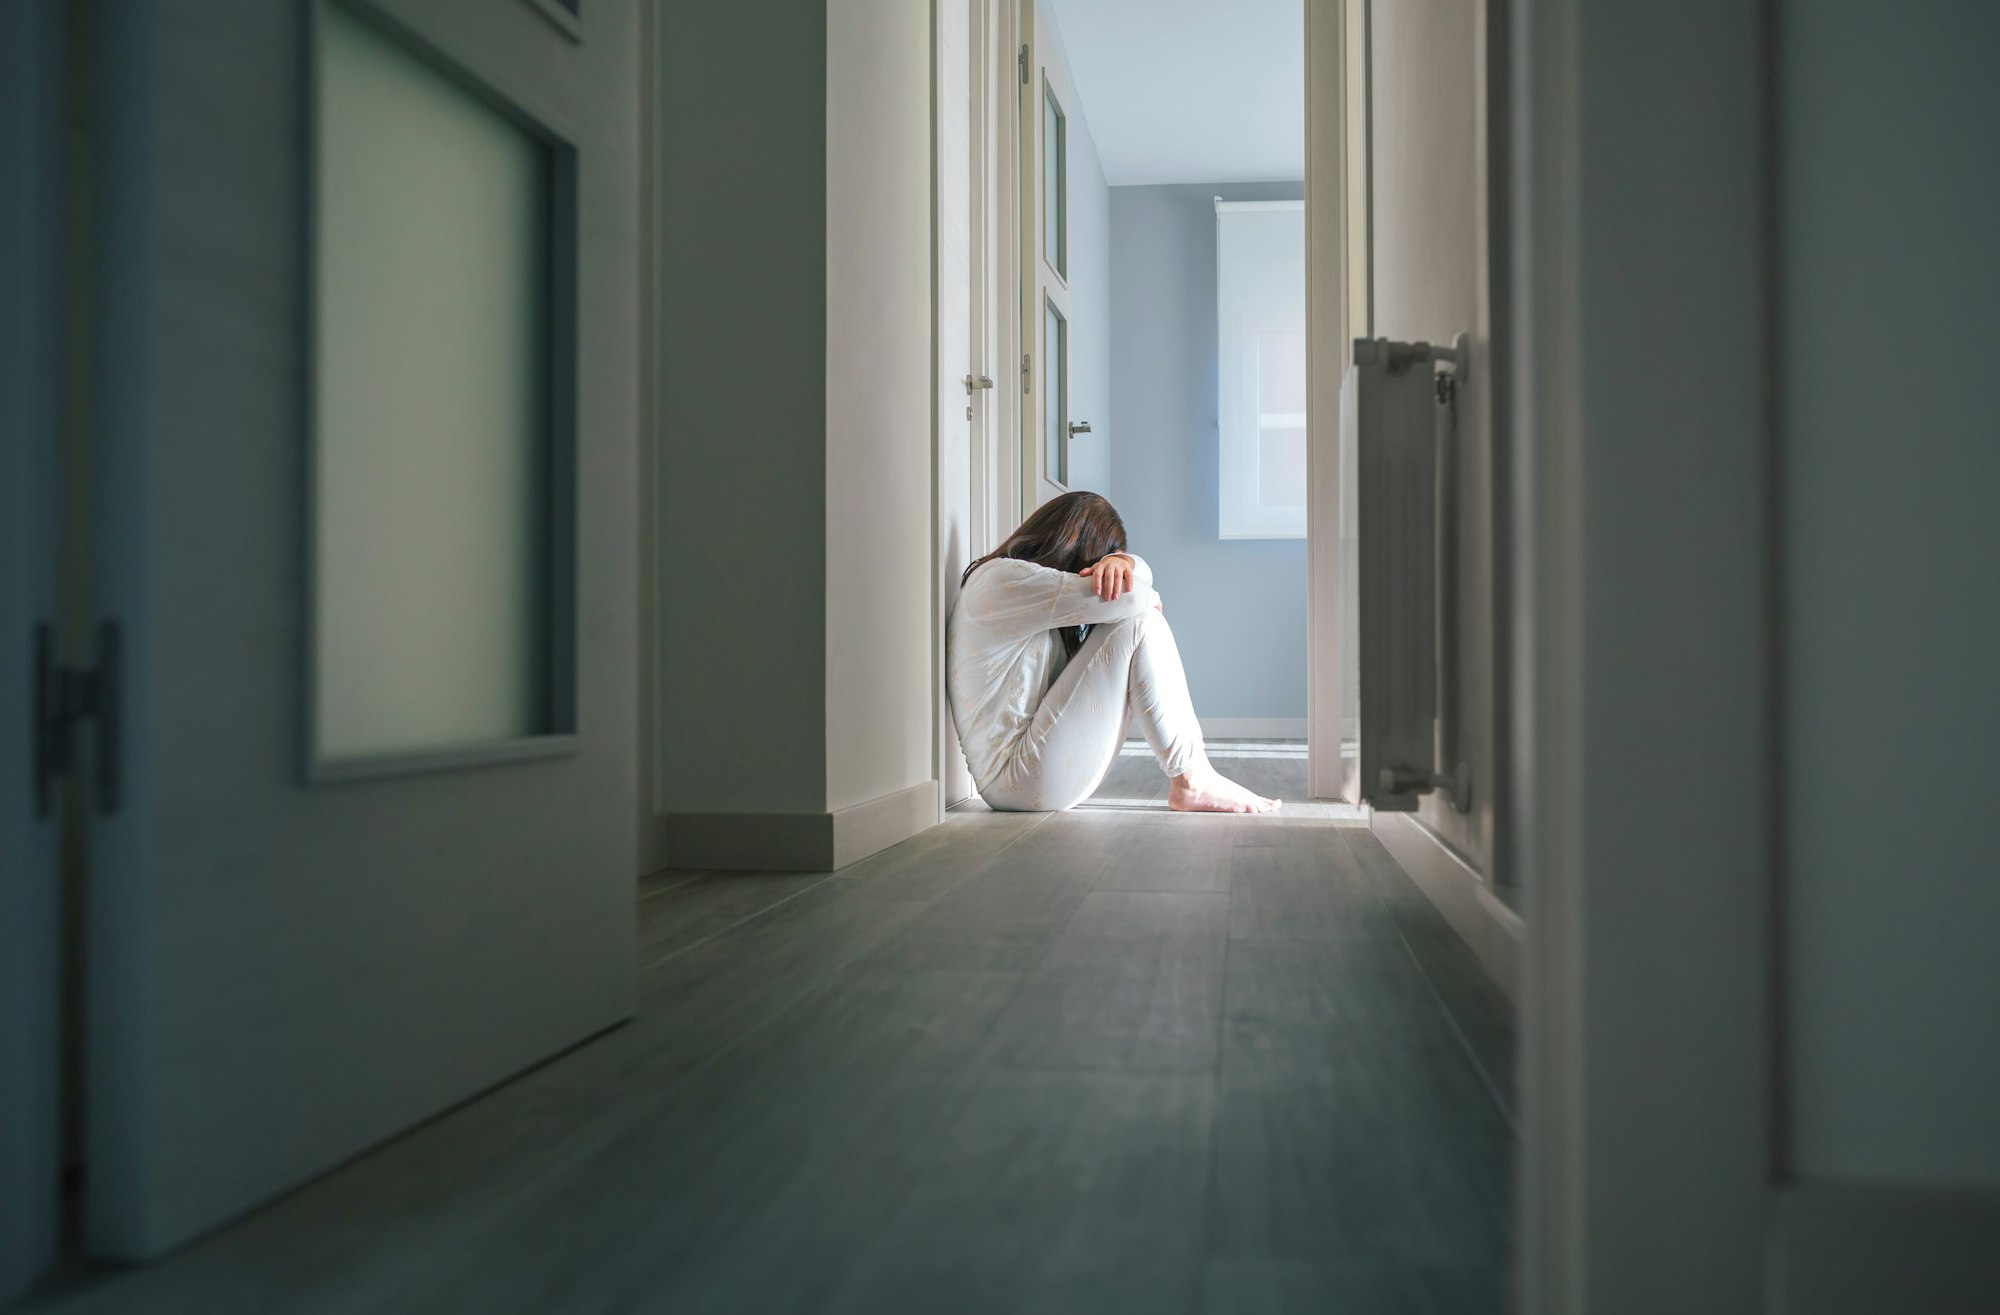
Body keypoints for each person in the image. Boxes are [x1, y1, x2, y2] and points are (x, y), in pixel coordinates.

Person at [947, 491, 1280, 814]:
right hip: (1014, 778)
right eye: (1100, 561)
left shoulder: (1024, 590)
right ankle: (1192, 780)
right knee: (1142, 622)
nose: (1105, 573)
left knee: (1138, 618)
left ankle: (1194, 776)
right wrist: (1130, 574)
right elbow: (1135, 598)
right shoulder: (1003, 580)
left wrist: (1121, 561)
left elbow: (1136, 589)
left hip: (1026, 775)